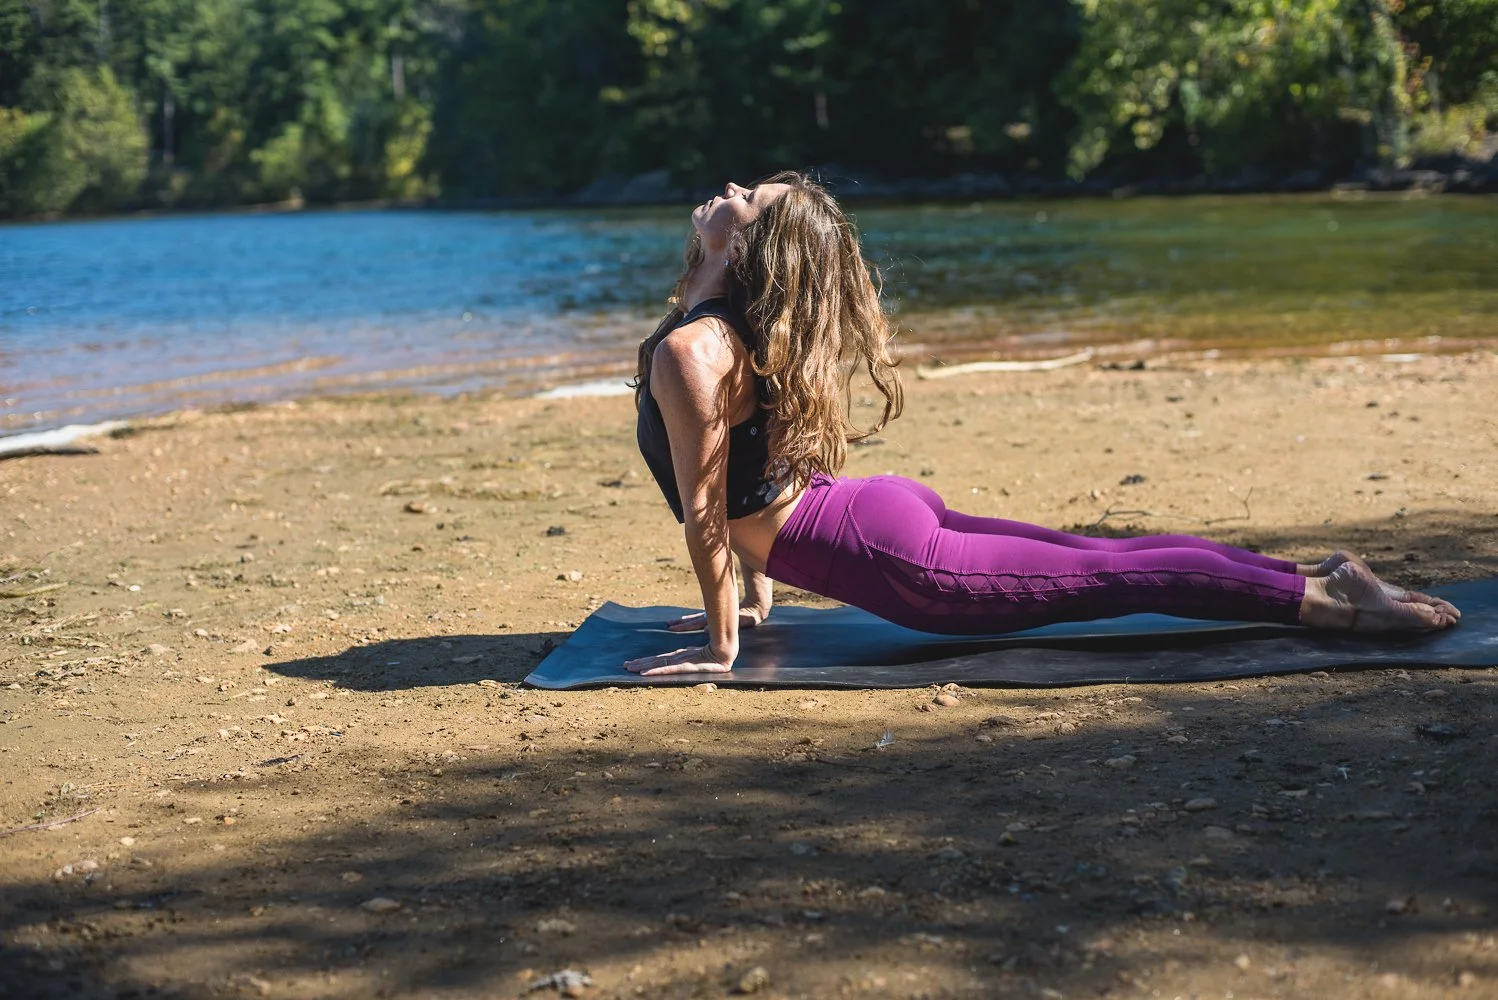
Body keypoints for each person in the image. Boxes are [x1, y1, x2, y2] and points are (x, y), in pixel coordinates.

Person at [625, 172, 1461, 675]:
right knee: (1111, 555)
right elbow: (743, 477)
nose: (729, 192)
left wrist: (720, 641)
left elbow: (710, 512)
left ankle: (1328, 601)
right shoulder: (724, 339)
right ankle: (1320, 577)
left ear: (750, 249)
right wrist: (754, 602)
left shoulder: (696, 349)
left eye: (750, 199)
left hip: (881, 549)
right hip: (862, 515)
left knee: (1117, 574)